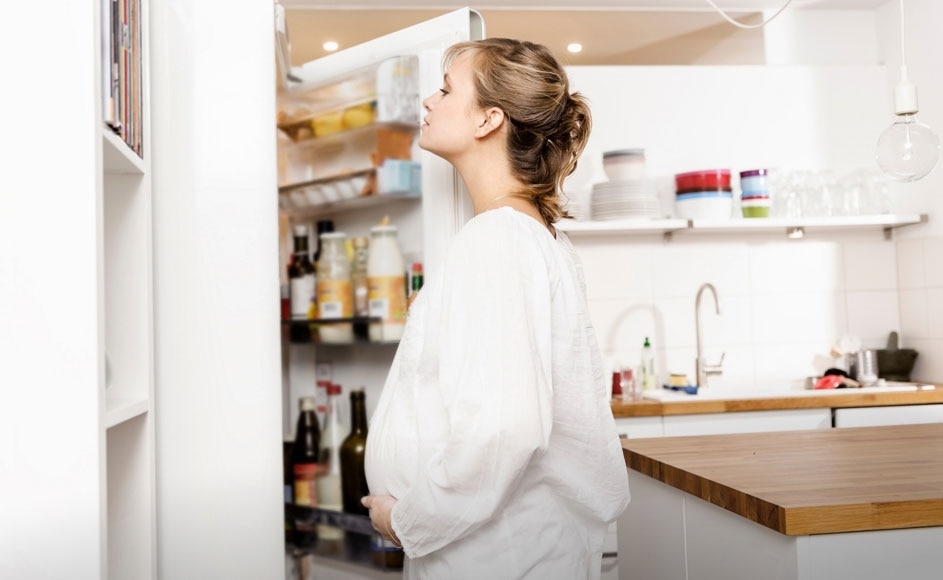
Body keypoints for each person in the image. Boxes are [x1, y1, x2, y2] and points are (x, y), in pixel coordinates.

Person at [362, 38, 630, 579]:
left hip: (495, 556)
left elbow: (504, 428)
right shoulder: (533, 236)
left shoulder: (498, 239)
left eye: (445, 90)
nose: (428, 101)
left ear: (489, 119)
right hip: (515, 549)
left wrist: (405, 520)